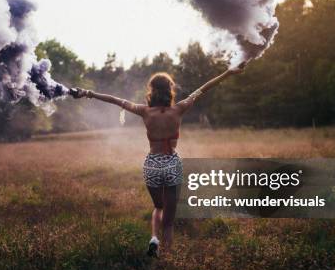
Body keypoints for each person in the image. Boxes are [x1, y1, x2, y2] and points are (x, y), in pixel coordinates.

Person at [74, 62, 246, 256]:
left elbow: (115, 100)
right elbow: (203, 88)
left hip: (152, 165)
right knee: (170, 221)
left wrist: (89, 93)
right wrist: (228, 73)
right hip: (172, 164)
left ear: (152, 91)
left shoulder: (144, 111)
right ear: (170, 90)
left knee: (158, 206)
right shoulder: (179, 109)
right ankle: (168, 257)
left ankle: (154, 239)